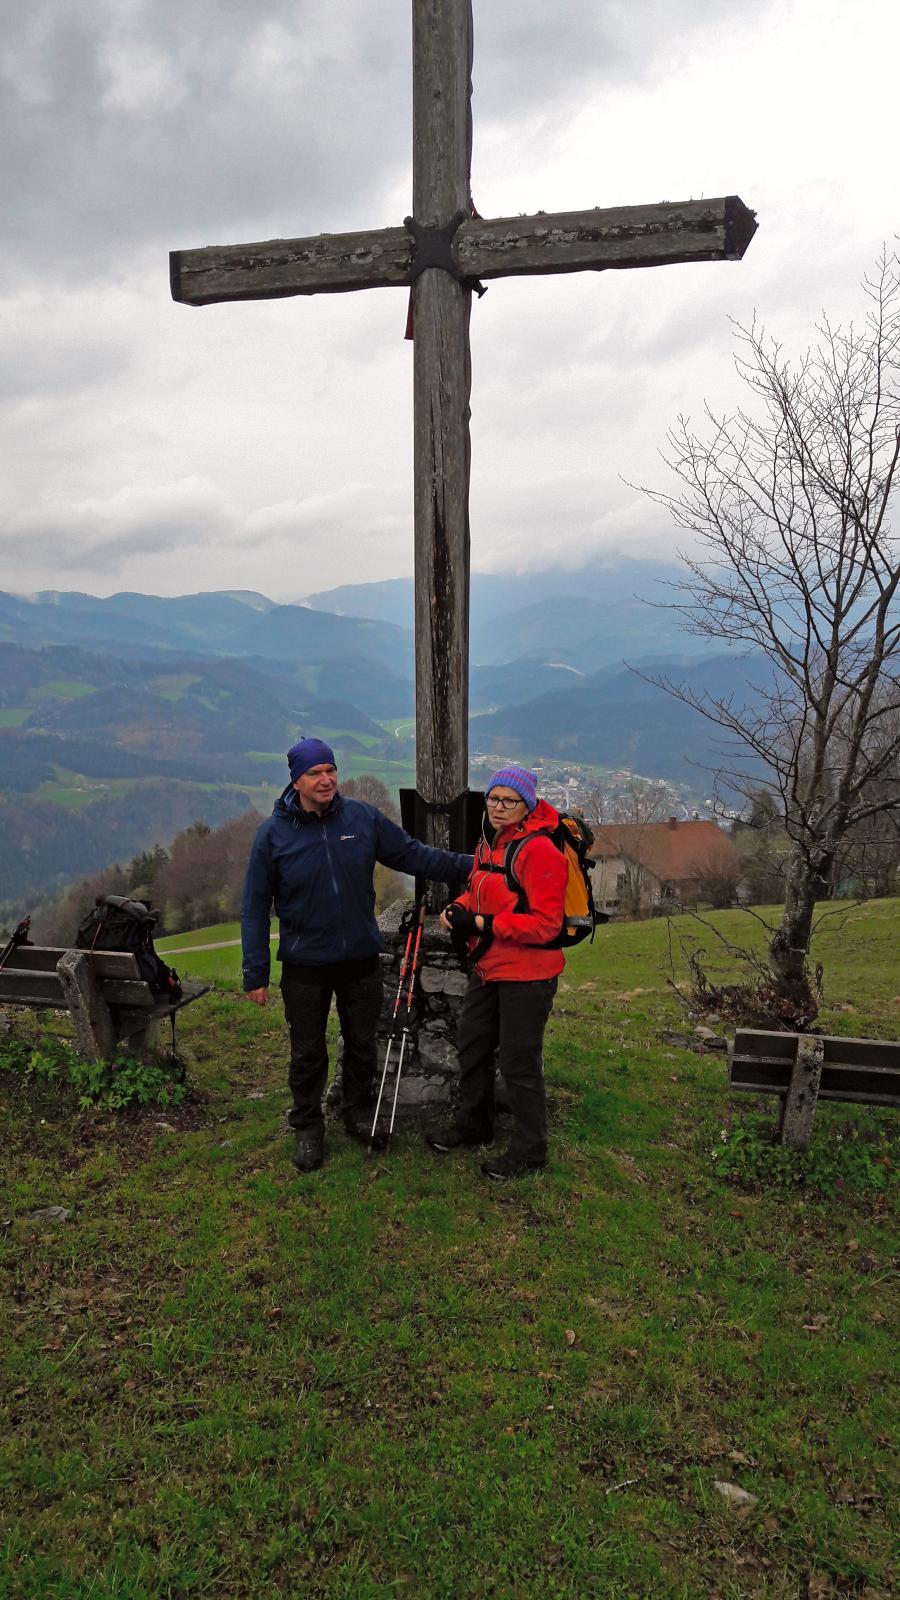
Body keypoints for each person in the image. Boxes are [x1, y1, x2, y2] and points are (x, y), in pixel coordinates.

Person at [241, 738, 471, 1173]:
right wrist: (255, 971)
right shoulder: (272, 836)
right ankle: (308, 1128)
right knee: (307, 1052)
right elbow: (254, 906)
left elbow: (413, 855)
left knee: (363, 1045)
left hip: (360, 958)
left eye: (330, 769)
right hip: (305, 965)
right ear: (296, 780)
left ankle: (357, 1112)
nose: (326, 779)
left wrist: (471, 865)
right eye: (315, 772)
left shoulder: (361, 819)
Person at [427, 765, 568, 1179]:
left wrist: (485, 925)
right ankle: (475, 1125)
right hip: (489, 967)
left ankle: (530, 1149)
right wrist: (461, 907)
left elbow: (547, 925)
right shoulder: (492, 842)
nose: (498, 807)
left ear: (527, 805)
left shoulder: (540, 850)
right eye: (493, 799)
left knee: (519, 1062)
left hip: (528, 975)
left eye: (509, 800)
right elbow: (481, 887)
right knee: (472, 1045)